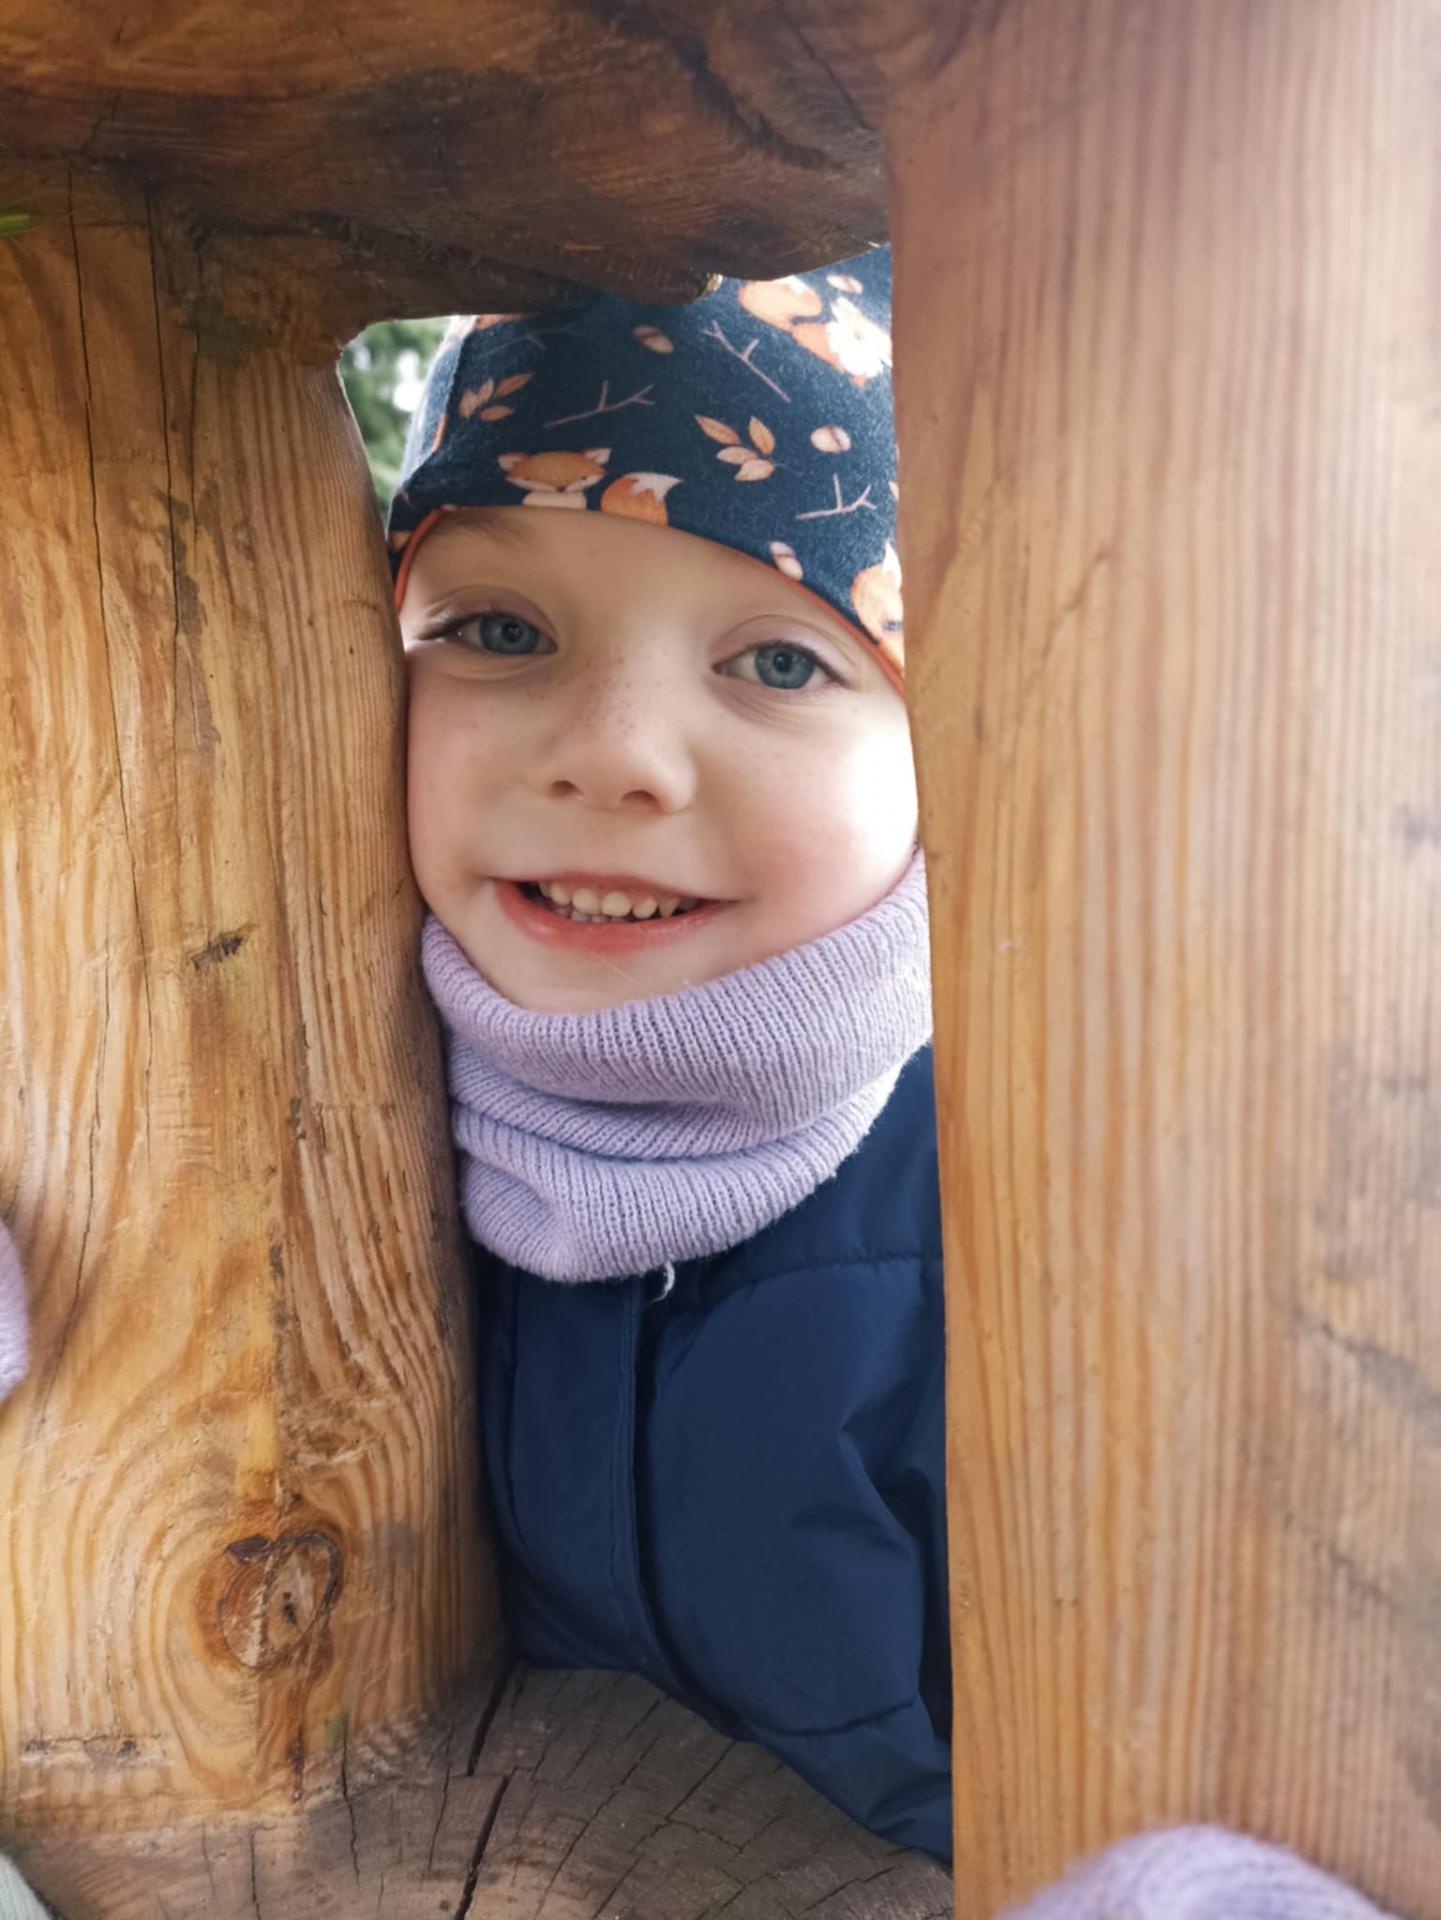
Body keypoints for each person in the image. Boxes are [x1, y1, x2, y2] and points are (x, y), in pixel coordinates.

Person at [0, 249, 1396, 1918]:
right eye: (496, 629)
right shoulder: (312, 1072)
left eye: (782, 661)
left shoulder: (1054, 1168)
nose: (613, 752)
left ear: (945, 744)